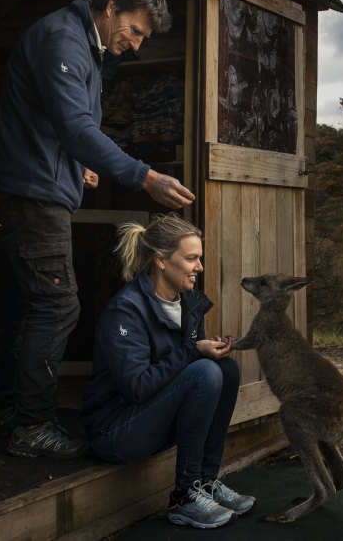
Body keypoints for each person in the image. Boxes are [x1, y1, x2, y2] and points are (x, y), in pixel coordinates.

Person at [0, 0, 195, 458]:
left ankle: (5, 409)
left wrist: (75, 165)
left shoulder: (80, 41)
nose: (137, 45)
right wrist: (146, 176)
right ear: (112, 6)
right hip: (35, 196)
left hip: (37, 185)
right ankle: (32, 424)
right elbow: (76, 127)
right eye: (135, 31)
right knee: (57, 305)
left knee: (25, 306)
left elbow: (55, 124)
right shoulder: (63, 39)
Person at [81, 213, 255, 529]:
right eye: (191, 259)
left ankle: (206, 482)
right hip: (116, 431)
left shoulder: (188, 303)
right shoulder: (125, 311)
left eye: (199, 258)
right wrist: (193, 351)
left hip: (153, 420)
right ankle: (184, 497)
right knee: (205, 372)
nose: (199, 268)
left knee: (225, 368)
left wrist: (205, 350)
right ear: (161, 261)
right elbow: (136, 387)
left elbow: (185, 366)